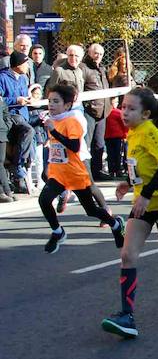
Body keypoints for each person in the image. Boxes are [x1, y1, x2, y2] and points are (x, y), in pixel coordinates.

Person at [99, 88, 158, 338]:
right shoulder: (133, 133)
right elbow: (142, 166)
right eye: (123, 106)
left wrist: (147, 194)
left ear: (146, 113)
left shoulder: (150, 132)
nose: (124, 112)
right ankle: (127, 316)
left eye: (131, 108)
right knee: (128, 255)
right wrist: (130, 182)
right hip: (142, 205)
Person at [38, 83, 125, 253]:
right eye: (50, 101)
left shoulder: (73, 120)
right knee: (44, 200)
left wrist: (54, 132)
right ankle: (58, 232)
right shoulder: (52, 120)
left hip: (75, 173)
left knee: (91, 210)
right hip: (58, 173)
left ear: (67, 105)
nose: (51, 105)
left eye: (56, 101)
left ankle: (115, 224)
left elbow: (74, 146)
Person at [0, 51, 35, 191]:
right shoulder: (2, 77)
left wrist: (28, 99)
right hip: (11, 115)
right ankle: (16, 165)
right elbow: (1, 100)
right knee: (29, 130)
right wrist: (16, 100)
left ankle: (19, 170)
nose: (27, 66)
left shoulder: (22, 78)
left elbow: (24, 95)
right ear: (18, 64)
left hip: (23, 115)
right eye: (25, 63)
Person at [80, 43, 112, 180]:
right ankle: (85, 172)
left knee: (99, 144)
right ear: (89, 53)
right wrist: (87, 105)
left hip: (103, 112)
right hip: (89, 111)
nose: (98, 56)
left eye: (100, 54)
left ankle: (97, 171)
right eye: (95, 53)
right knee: (86, 144)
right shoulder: (84, 68)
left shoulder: (102, 69)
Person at [104, 97, 127, 179]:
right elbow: (124, 125)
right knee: (118, 154)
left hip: (107, 136)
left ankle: (111, 171)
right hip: (117, 137)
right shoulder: (118, 112)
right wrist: (125, 134)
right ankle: (117, 171)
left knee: (110, 154)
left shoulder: (106, 113)